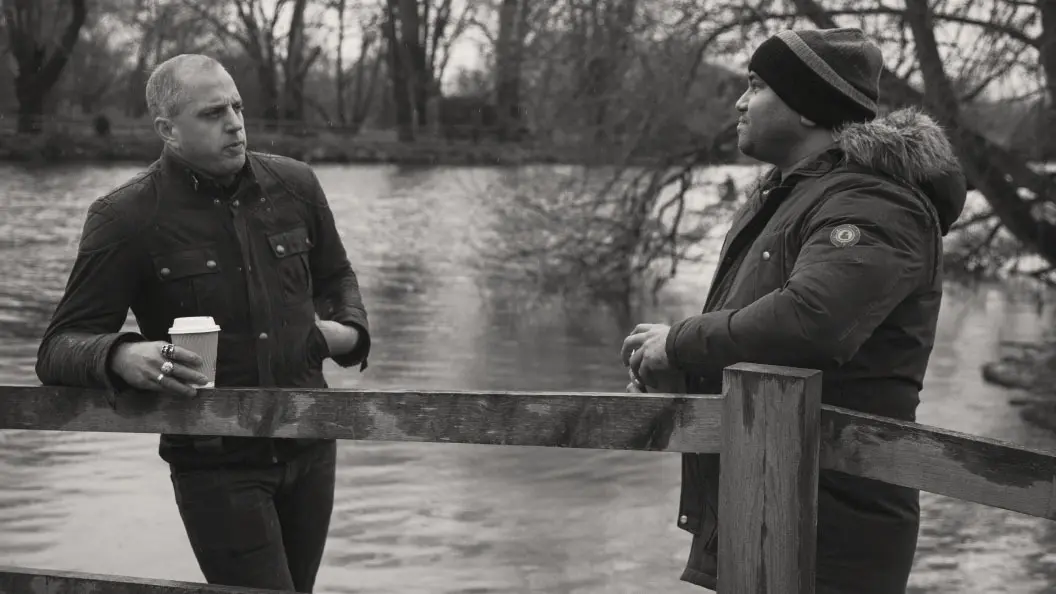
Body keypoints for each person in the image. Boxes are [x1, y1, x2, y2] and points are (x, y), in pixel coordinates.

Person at [620, 28, 966, 593]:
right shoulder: (786, 198)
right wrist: (689, 374)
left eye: (756, 86)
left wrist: (679, 342)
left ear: (808, 107)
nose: (739, 102)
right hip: (759, 508)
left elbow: (811, 323)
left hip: (830, 534)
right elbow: (765, 341)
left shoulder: (874, 202)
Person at [35, 54, 371, 592]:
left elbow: (337, 279)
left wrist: (348, 333)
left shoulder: (296, 185)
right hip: (216, 463)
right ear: (168, 130)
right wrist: (122, 354)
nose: (235, 123)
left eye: (237, 107)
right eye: (213, 113)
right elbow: (58, 347)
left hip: (310, 441)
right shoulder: (125, 216)